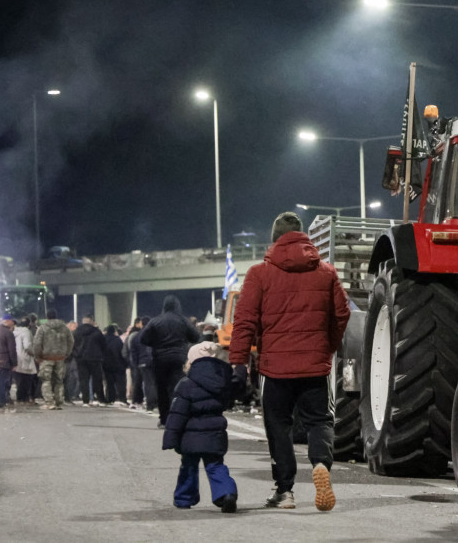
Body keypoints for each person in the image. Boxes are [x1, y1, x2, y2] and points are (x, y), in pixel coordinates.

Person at [230, 211, 351, 511]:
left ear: (275, 239)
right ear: (303, 237)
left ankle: (285, 491)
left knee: (278, 425)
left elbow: (244, 320)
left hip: (275, 368)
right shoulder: (326, 272)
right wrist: (327, 346)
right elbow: (342, 314)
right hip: (314, 365)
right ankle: (320, 463)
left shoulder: (258, 273)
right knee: (319, 420)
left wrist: (238, 362)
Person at [162, 341, 240, 512]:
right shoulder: (222, 382)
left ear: (191, 363)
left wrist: (170, 438)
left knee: (188, 467)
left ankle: (184, 498)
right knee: (216, 466)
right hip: (216, 433)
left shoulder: (186, 384)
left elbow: (177, 414)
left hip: (190, 435)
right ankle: (227, 493)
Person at [140, 296, 200, 427]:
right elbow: (195, 337)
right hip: (178, 358)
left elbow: (143, 338)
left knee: (161, 389)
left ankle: (164, 420)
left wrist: (155, 343)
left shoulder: (155, 320)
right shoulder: (183, 320)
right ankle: (176, 419)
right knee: (176, 388)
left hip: (159, 358)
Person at [32, 309, 74, 409]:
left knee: (46, 380)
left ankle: (49, 402)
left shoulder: (43, 328)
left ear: (47, 317)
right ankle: (59, 402)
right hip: (60, 358)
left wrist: (37, 356)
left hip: (46, 358)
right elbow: (71, 341)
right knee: (59, 380)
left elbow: (37, 343)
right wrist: (66, 353)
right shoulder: (65, 328)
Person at [73, 315, 108, 406]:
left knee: (83, 380)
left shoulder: (76, 332)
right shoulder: (97, 332)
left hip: (81, 358)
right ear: (92, 321)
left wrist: (76, 355)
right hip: (95, 358)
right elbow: (104, 344)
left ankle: (85, 400)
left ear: (82, 321)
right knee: (97, 379)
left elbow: (73, 345)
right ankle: (100, 399)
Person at [0, 315, 19, 412]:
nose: (13, 323)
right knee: (2, 382)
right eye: (12, 321)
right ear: (8, 321)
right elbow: (12, 350)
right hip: (4, 361)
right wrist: (14, 363)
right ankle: (1, 402)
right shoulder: (8, 333)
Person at [130, 316, 158, 412]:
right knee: (156, 382)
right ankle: (156, 402)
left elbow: (133, 352)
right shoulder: (155, 335)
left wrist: (136, 364)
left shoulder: (136, 336)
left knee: (148, 383)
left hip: (142, 362)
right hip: (155, 361)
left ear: (141, 324)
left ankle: (150, 404)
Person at [13, 315, 38, 404]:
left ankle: (19, 398)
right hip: (25, 358)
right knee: (27, 379)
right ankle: (24, 398)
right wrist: (34, 354)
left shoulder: (14, 331)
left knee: (19, 380)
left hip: (16, 357)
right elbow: (27, 346)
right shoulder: (26, 332)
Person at [103, 324, 128, 405]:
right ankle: (122, 399)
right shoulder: (117, 340)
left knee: (109, 383)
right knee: (121, 383)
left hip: (106, 365)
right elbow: (122, 352)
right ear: (114, 331)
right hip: (118, 364)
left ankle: (110, 398)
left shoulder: (103, 339)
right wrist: (125, 363)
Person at [124, 317, 144, 409]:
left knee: (136, 382)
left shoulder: (131, 335)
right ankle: (137, 400)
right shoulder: (137, 335)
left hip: (133, 362)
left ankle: (137, 400)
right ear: (137, 324)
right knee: (138, 382)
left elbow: (125, 351)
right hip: (137, 361)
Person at [64, 320, 80, 404]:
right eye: (74, 327)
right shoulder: (69, 335)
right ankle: (67, 397)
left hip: (64, 358)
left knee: (67, 378)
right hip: (67, 359)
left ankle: (66, 396)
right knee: (67, 378)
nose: (76, 328)